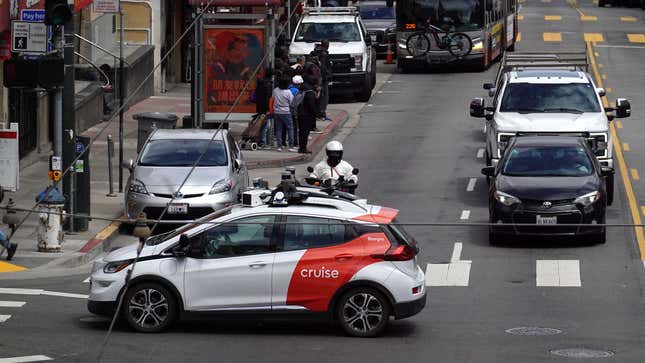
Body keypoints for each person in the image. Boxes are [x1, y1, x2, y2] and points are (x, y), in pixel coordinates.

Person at [272, 76, 297, 152]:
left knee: (279, 129)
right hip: (286, 112)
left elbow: (273, 99)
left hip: (277, 111)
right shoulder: (288, 92)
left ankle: (279, 146)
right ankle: (291, 146)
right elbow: (292, 102)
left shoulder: (275, 90)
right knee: (290, 128)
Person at [297, 75, 321, 154]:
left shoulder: (302, 89)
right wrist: (316, 114)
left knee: (301, 131)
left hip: (300, 113)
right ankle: (303, 148)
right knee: (305, 132)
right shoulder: (310, 92)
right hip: (307, 115)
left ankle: (301, 146)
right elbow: (312, 105)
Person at [310, 39, 333, 121]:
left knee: (318, 96)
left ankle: (318, 112)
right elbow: (323, 67)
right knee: (324, 97)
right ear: (327, 45)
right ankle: (321, 113)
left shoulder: (315, 52)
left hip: (316, 77)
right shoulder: (324, 54)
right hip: (322, 78)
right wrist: (327, 74)